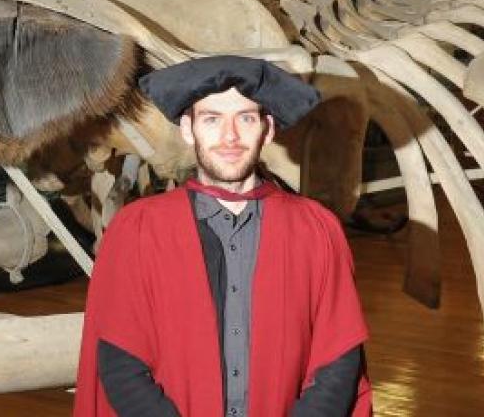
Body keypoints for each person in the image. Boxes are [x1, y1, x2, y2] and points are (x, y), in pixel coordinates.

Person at [74, 56, 371, 417]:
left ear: (268, 128)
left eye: (246, 118)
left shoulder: (315, 230)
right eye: (212, 119)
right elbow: (120, 362)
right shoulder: (137, 231)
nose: (230, 136)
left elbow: (338, 360)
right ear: (188, 129)